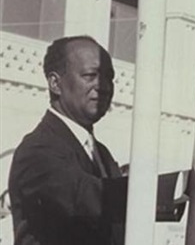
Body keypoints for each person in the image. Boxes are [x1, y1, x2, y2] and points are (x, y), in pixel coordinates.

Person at [8, 36, 126, 245]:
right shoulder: (37, 151)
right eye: (90, 76)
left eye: (109, 78)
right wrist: (160, 191)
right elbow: (85, 197)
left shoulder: (102, 153)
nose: (103, 86)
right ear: (55, 83)